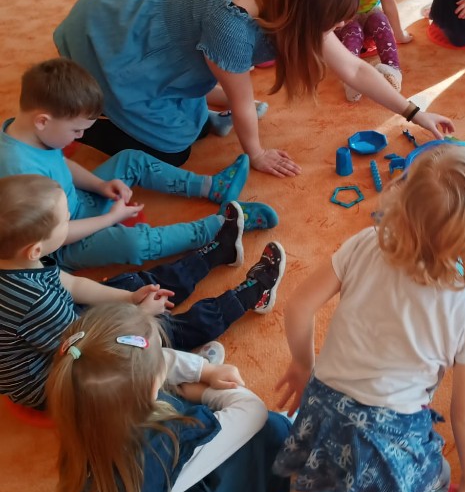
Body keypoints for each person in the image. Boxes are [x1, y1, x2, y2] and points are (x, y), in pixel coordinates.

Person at [230, 144, 465, 492]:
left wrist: (302, 365)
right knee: (432, 486)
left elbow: (298, 307)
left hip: (322, 414)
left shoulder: (366, 243)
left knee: (351, 471)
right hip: (388, 432)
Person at [54, 0, 454, 171]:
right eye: (333, 22)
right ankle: (86, 117)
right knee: (174, 151)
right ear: (308, 16)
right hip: (113, 33)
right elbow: (242, 102)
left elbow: (355, 68)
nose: (336, 29)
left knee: (193, 125)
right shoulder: (231, 27)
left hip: (146, 22)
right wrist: (257, 154)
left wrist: (416, 113)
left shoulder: (287, 1)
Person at [47, 304, 292, 492]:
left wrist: (205, 371)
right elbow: (251, 413)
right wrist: (203, 392)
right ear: (150, 385)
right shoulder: (165, 446)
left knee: (178, 407)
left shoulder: (83, 404)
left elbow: (147, 359)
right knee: (272, 430)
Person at [0, 174, 285, 409]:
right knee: (155, 329)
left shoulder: (20, 260)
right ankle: (249, 297)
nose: (69, 222)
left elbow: (74, 285)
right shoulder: (34, 302)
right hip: (64, 375)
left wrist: (129, 299)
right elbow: (93, 348)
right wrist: (139, 315)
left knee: (135, 286)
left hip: (68, 332)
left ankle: (215, 254)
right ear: (35, 249)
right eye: (65, 221)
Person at [0, 58, 277, 269]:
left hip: (74, 205)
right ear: (43, 121)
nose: (81, 137)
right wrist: (109, 219)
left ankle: (212, 187)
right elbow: (51, 238)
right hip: (62, 240)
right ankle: (219, 228)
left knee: (130, 159)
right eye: (76, 131)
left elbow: (61, 165)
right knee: (133, 243)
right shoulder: (16, 169)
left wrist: (99, 185)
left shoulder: (32, 132)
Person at [84, 0, 267, 138]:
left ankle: (219, 110)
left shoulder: (137, 1)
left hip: (152, 59)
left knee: (188, 77)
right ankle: (213, 115)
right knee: (172, 93)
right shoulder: (105, 8)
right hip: (128, 73)